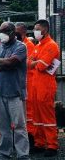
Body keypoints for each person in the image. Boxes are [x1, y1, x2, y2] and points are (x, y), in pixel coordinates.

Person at [0, 22, 29, 160]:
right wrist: (4, 64)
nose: (2, 34)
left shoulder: (21, 47)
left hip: (15, 93)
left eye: (5, 31)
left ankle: (22, 155)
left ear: (12, 32)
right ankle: (4, 153)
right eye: (1, 31)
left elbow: (12, 63)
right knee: (3, 127)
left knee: (19, 127)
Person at [30, 19, 60, 157]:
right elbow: (28, 63)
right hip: (36, 84)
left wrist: (35, 62)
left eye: (37, 29)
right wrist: (36, 61)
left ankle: (52, 145)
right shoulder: (38, 45)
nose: (35, 31)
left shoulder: (51, 45)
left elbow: (41, 66)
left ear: (45, 30)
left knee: (47, 116)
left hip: (46, 86)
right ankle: (39, 143)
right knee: (36, 116)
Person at [15, 22, 36, 147]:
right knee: (20, 112)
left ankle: (31, 139)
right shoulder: (16, 44)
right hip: (19, 82)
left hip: (28, 81)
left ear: (23, 32)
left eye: (17, 32)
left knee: (28, 112)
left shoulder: (29, 45)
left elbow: (30, 63)